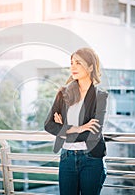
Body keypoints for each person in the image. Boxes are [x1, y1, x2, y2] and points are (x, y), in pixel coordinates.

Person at [44, 47, 108, 195]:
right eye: (72, 62)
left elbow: (94, 134)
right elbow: (49, 125)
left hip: (91, 159)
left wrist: (63, 129)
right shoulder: (63, 94)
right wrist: (78, 128)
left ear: (90, 67)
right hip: (67, 158)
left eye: (78, 63)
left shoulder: (100, 97)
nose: (73, 67)